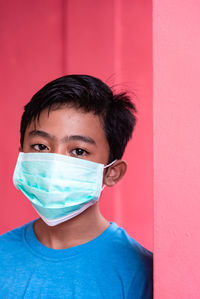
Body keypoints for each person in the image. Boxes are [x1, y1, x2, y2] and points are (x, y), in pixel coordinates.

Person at [0, 75, 153, 298]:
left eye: (78, 151)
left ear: (111, 172)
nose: (55, 162)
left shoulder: (140, 274)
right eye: (41, 146)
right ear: (22, 155)